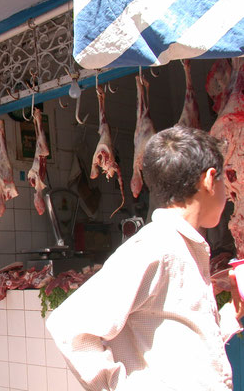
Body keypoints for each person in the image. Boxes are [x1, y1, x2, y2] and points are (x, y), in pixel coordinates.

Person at [46, 126, 243, 391]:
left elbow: (186, 346)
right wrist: (118, 385)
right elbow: (67, 324)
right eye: (223, 181)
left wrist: (233, 314)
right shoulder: (157, 246)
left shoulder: (185, 246)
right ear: (209, 180)